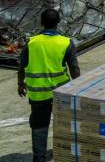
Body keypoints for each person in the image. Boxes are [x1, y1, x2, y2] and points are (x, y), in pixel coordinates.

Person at [18, 8, 80, 162]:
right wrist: (79, 88)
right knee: (64, 123)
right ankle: (64, 152)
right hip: (61, 93)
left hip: (39, 95)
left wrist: (20, 84)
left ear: (41, 23)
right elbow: (74, 68)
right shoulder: (65, 42)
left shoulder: (31, 43)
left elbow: (21, 66)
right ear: (58, 23)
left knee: (39, 126)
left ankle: (39, 157)